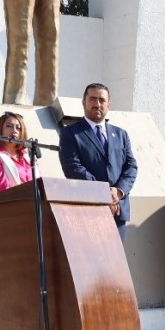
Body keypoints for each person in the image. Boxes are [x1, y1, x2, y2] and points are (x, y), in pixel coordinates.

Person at [58, 83, 139, 240]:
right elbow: (72, 168)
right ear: (84, 102)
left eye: (102, 100)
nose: (97, 104)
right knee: (89, 263)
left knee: (115, 263)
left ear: (109, 104)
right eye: (92, 99)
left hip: (117, 211)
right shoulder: (70, 133)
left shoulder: (121, 134)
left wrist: (118, 192)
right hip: (88, 211)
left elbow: (131, 167)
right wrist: (103, 194)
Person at [0, 111, 33, 194]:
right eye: (9, 126)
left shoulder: (29, 156)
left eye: (18, 128)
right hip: (8, 205)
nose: (14, 130)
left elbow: (41, 185)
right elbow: (1, 191)